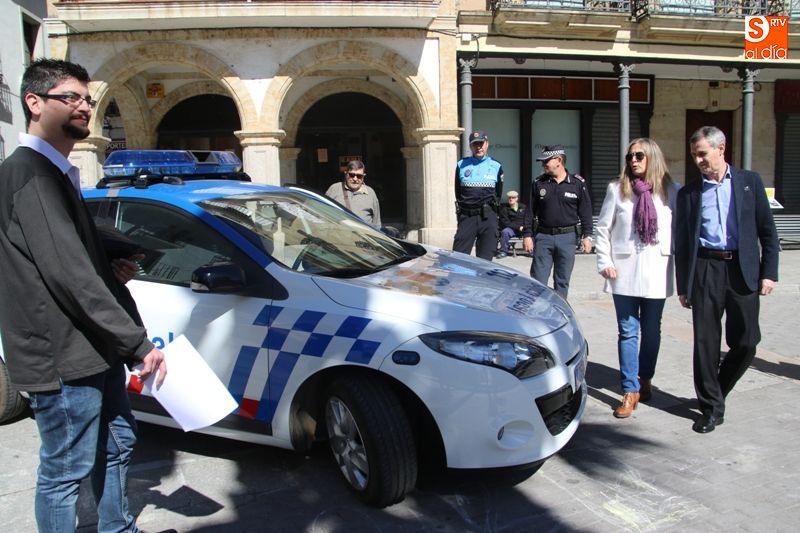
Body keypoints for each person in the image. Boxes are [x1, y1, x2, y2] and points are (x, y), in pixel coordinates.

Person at [0, 58, 168, 532]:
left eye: (88, 99)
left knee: (117, 441)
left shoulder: (54, 172)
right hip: (62, 356)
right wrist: (137, 344)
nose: (84, 107)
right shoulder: (31, 174)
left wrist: (111, 270)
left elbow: (67, 259)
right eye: (70, 97)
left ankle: (117, 528)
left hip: (93, 348)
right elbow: (69, 276)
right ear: (34, 103)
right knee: (65, 471)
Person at [675, 126, 779, 434]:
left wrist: (769, 272)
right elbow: (683, 243)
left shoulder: (750, 182)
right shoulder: (689, 193)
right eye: (694, 155)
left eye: (702, 154)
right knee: (706, 342)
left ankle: (717, 389)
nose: (698, 161)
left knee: (746, 341)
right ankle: (711, 408)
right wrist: (684, 285)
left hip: (742, 269)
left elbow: (768, 231)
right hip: (705, 269)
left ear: (721, 149)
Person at [595, 138, 680, 418]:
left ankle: (646, 378)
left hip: (657, 270)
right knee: (628, 331)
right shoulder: (617, 189)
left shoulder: (671, 191)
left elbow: (681, 231)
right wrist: (605, 261)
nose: (633, 160)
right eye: (630, 156)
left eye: (639, 155)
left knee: (652, 331)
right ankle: (630, 389)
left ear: (652, 157)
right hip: (623, 270)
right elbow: (603, 228)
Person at [522, 144, 593, 299]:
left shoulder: (577, 183)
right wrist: (527, 235)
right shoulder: (539, 183)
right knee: (537, 281)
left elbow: (586, 212)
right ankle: (537, 310)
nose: (543, 164)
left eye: (546, 161)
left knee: (562, 281)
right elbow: (530, 211)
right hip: (543, 237)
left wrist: (587, 236)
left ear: (559, 160)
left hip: (567, 238)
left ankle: (558, 311)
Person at [453, 130, 504, 260]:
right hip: (467, 217)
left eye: (481, 143)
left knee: (485, 262)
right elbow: (458, 192)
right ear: (470, 146)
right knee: (458, 258)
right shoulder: (461, 165)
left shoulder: (496, 166)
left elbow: (498, 193)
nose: (478, 147)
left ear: (487, 144)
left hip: (488, 218)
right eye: (475, 144)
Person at [325, 160, 382, 228]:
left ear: (363, 176)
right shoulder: (334, 189)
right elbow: (322, 214)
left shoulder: (370, 193)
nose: (355, 179)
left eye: (359, 176)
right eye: (351, 175)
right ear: (346, 174)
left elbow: (376, 224)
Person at [496, 190, 526, 258]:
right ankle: (503, 251)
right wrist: (518, 227)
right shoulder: (504, 209)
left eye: (513, 197)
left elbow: (527, 218)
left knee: (534, 230)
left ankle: (532, 251)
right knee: (505, 232)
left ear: (517, 198)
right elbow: (506, 222)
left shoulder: (523, 207)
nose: (511, 199)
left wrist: (525, 227)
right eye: (510, 198)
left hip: (524, 228)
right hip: (512, 229)